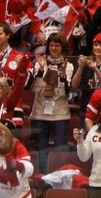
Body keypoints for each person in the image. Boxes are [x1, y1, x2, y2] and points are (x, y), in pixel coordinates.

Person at [26, 33, 73, 163]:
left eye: (57, 45)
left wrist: (62, 76)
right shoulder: (39, 63)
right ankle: (42, 177)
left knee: (60, 150)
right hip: (40, 112)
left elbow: (67, 92)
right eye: (51, 45)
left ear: (62, 47)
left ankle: (58, 178)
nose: (53, 48)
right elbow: (35, 89)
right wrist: (41, 70)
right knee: (41, 149)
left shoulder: (68, 65)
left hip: (60, 113)